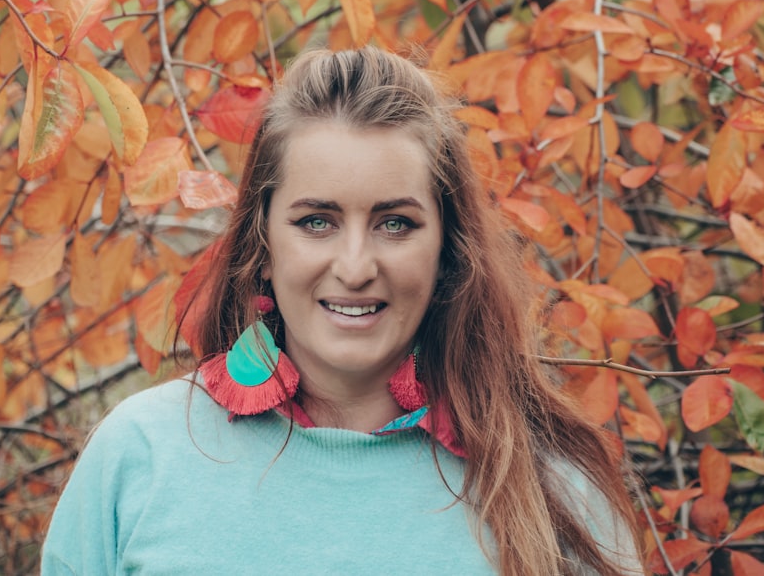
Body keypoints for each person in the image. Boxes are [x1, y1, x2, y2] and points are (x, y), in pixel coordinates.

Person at [42, 47, 645, 575]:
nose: (355, 266)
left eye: (395, 223)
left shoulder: (552, 486)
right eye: (316, 222)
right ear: (263, 243)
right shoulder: (140, 454)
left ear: (448, 250)